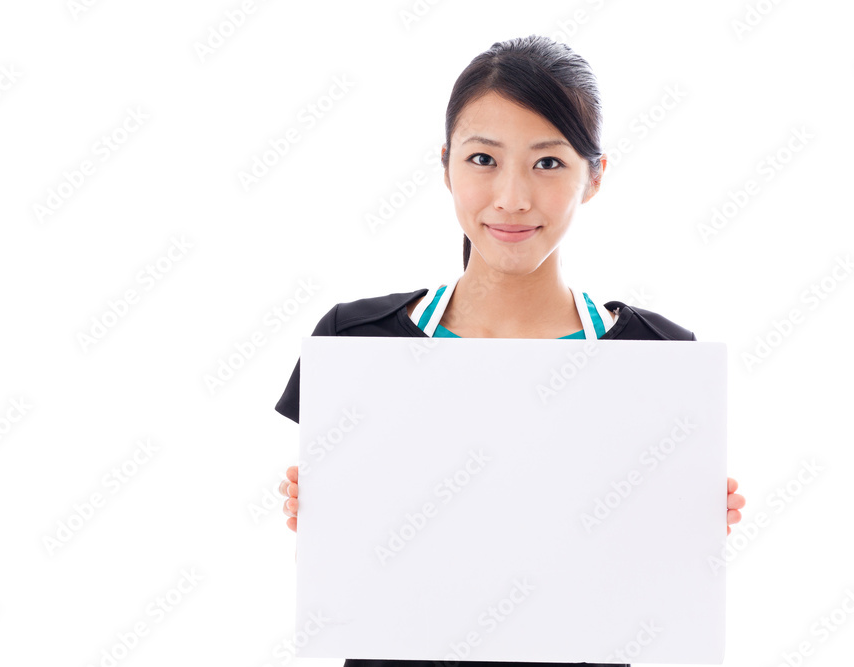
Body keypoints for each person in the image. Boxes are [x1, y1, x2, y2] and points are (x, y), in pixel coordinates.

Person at [274, 34, 746, 667]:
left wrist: (683, 527)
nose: (513, 198)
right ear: (445, 166)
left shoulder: (657, 359)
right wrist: (328, 517)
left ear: (595, 176)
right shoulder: (358, 344)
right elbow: (341, 589)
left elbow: (655, 601)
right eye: (482, 159)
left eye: (548, 163)